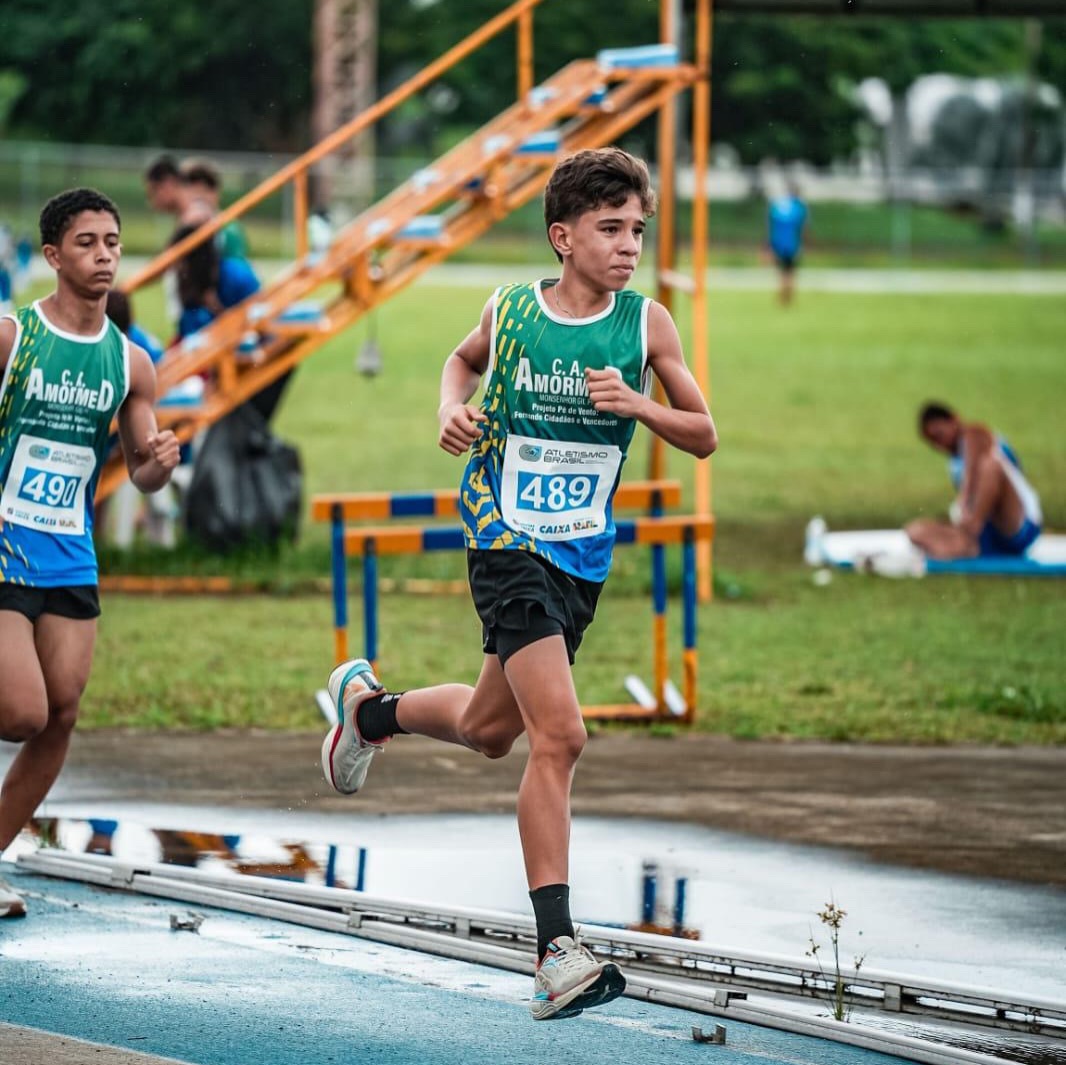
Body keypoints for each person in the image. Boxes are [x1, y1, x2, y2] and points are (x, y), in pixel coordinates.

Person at [320, 147, 717, 1019]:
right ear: (562, 236)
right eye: (610, 230)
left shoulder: (648, 325)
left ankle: (368, 711)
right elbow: (460, 364)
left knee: (489, 728)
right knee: (562, 734)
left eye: (637, 231)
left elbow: (704, 432)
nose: (627, 246)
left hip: (581, 555)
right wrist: (447, 409)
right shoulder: (510, 311)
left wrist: (641, 405)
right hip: (502, 536)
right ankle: (555, 951)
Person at [0, 188, 181, 916]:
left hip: (69, 550)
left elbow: (140, 463)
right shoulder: (15, 339)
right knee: (18, 710)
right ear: (52, 255)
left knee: (61, 714)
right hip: (4, 542)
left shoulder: (130, 362)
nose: (104, 254)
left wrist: (158, 465)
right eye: (86, 242)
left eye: (112, 241)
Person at [905, 401, 1042, 560]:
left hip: (1017, 523)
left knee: (990, 467)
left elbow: (973, 474)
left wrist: (964, 511)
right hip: (986, 533)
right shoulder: (954, 461)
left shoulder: (975, 434)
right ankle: (966, 545)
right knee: (914, 530)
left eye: (939, 435)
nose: (939, 445)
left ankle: (965, 539)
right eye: (932, 442)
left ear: (954, 420)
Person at [179, 156, 250, 260]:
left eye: (206, 190)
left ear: (218, 193)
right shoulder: (183, 225)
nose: (200, 196)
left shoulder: (229, 230)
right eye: (193, 191)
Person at [767, 179, 808, 306]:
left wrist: (769, 244)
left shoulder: (777, 206)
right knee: (790, 272)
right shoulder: (799, 208)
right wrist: (804, 244)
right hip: (792, 244)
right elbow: (802, 228)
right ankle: (787, 298)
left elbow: (770, 225)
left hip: (777, 243)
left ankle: (782, 297)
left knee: (781, 272)